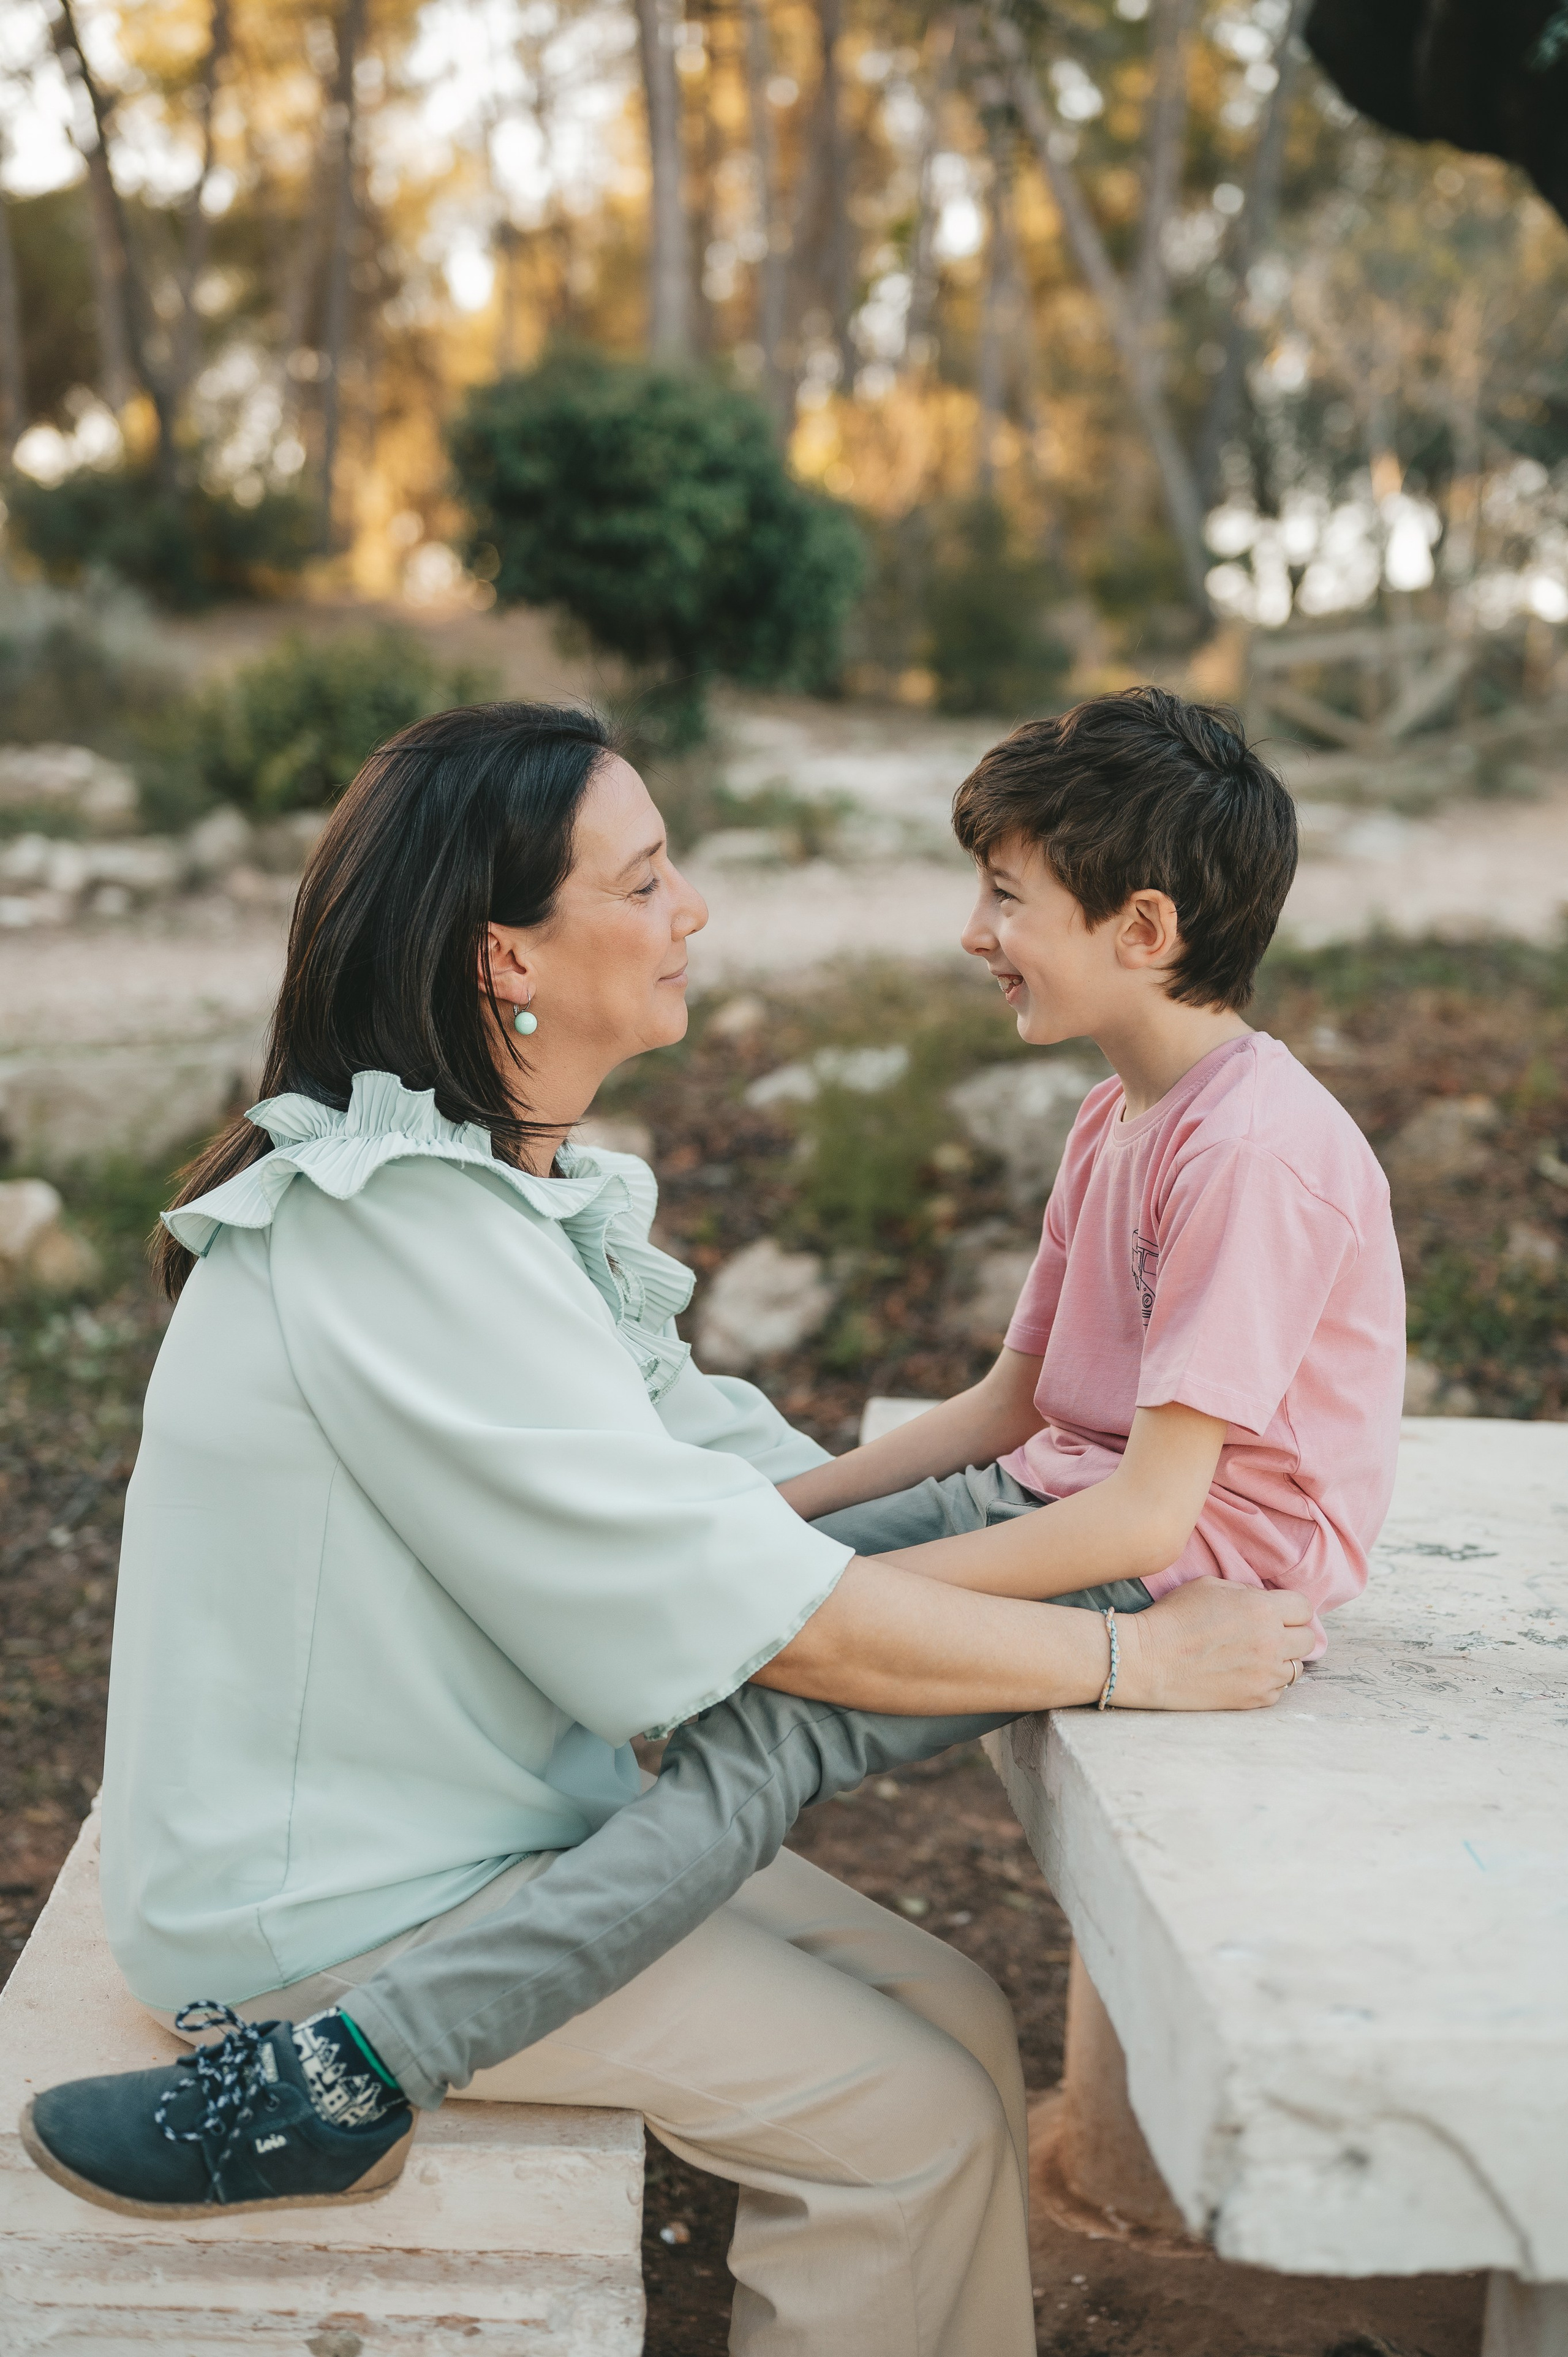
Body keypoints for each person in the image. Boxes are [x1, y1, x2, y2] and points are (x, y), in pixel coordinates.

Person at [21, 694, 1318, 2357]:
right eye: (641, 883)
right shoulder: (394, 1238)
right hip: (327, 1909)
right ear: (507, 957)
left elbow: (710, 1473)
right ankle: (337, 2089)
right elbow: (759, 1621)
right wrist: (1140, 1660)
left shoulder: (474, 1198)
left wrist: (982, 1527)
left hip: (474, 1833)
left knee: (953, 2010)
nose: (691, 909)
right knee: (910, 2127)